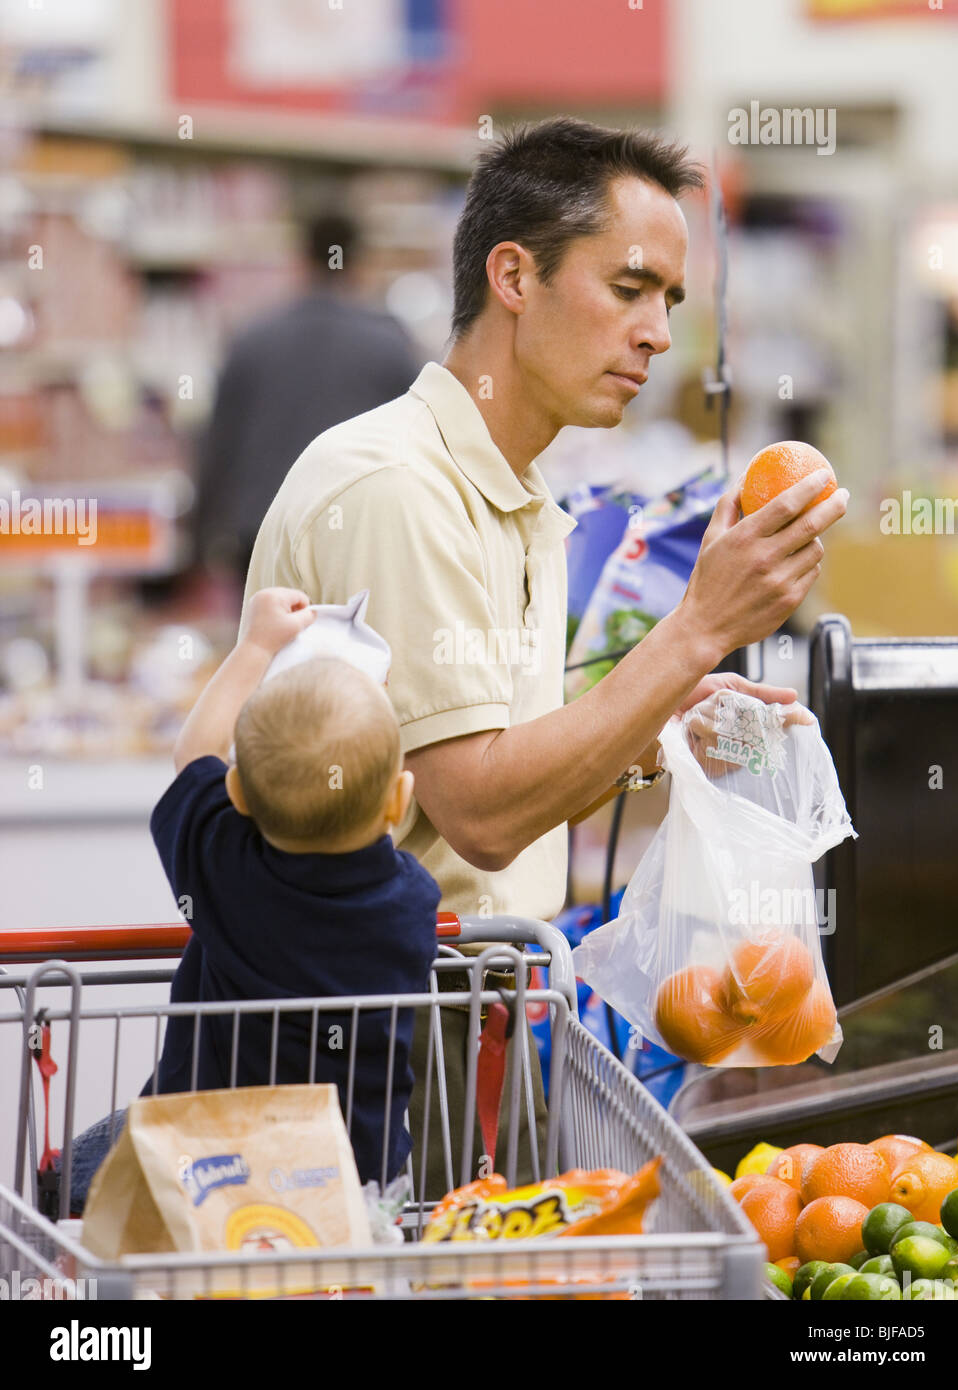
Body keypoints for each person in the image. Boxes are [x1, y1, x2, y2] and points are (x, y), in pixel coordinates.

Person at [242, 117, 849, 1188]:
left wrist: (659, 733)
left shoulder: (521, 503)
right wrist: (695, 627)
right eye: (630, 288)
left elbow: (502, 759)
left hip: (477, 1015)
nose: (660, 332)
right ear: (514, 276)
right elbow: (478, 812)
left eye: (670, 298)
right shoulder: (396, 487)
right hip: (374, 1040)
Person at [65, 588, 440, 1208]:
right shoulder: (409, 905)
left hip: (211, 1172)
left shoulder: (223, 867)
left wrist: (257, 647)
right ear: (398, 802)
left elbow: (194, 756)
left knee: (83, 1174)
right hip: (351, 1184)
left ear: (237, 792)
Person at [193, 211, 422, 584]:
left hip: (265, 533)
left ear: (300, 260)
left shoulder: (252, 338)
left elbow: (218, 445)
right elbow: (419, 446)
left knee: (269, 639)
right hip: (356, 536)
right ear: (359, 262)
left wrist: (199, 538)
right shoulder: (390, 344)